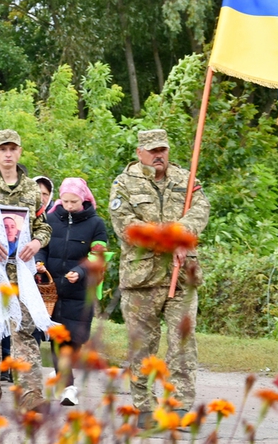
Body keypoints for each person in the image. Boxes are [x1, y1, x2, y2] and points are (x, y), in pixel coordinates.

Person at [110, 129, 209, 426]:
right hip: (141, 278)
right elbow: (126, 226)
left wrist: (182, 236)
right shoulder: (123, 184)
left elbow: (200, 210)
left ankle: (180, 404)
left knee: (182, 340)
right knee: (143, 344)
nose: (159, 155)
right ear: (139, 153)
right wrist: (169, 240)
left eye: (162, 149)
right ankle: (144, 407)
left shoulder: (186, 179)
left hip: (182, 277)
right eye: (152, 150)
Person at [0, 129, 51, 411]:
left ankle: (31, 396)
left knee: (24, 333)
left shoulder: (31, 188)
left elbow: (43, 224)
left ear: (19, 152)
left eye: (13, 149)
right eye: (2, 149)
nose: (8, 154)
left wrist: (37, 241)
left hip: (21, 273)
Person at [36, 177, 109, 406]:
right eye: (65, 201)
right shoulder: (49, 219)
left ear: (84, 199)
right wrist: (39, 263)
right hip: (52, 290)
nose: (68, 206)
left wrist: (80, 270)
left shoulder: (96, 224)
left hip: (80, 292)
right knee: (59, 339)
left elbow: (98, 256)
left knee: (75, 340)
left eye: (74, 202)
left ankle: (61, 376)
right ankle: (68, 387)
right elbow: (42, 247)